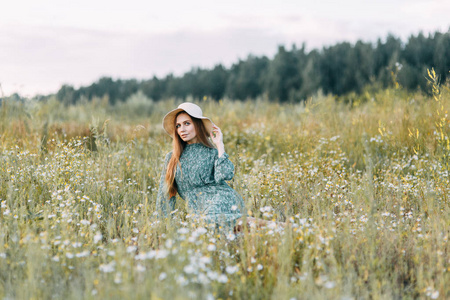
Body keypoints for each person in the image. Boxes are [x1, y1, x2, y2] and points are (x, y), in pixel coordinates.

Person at [157, 102, 250, 233]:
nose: (182, 129)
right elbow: (164, 194)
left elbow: (226, 175)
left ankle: (276, 227)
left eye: (187, 123)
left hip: (223, 199)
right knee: (216, 232)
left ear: (198, 124)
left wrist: (219, 145)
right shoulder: (172, 158)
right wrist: (162, 225)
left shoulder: (212, 152)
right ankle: (271, 226)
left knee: (213, 225)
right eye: (178, 126)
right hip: (199, 210)